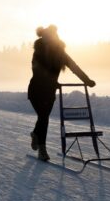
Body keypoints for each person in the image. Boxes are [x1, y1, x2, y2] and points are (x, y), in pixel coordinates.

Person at [28, 25, 95, 161]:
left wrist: (87, 80)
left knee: (43, 117)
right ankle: (42, 148)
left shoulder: (60, 53)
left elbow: (74, 66)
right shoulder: (38, 51)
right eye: (47, 37)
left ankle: (35, 134)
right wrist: (50, 82)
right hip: (36, 90)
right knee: (43, 117)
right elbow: (37, 71)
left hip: (49, 91)